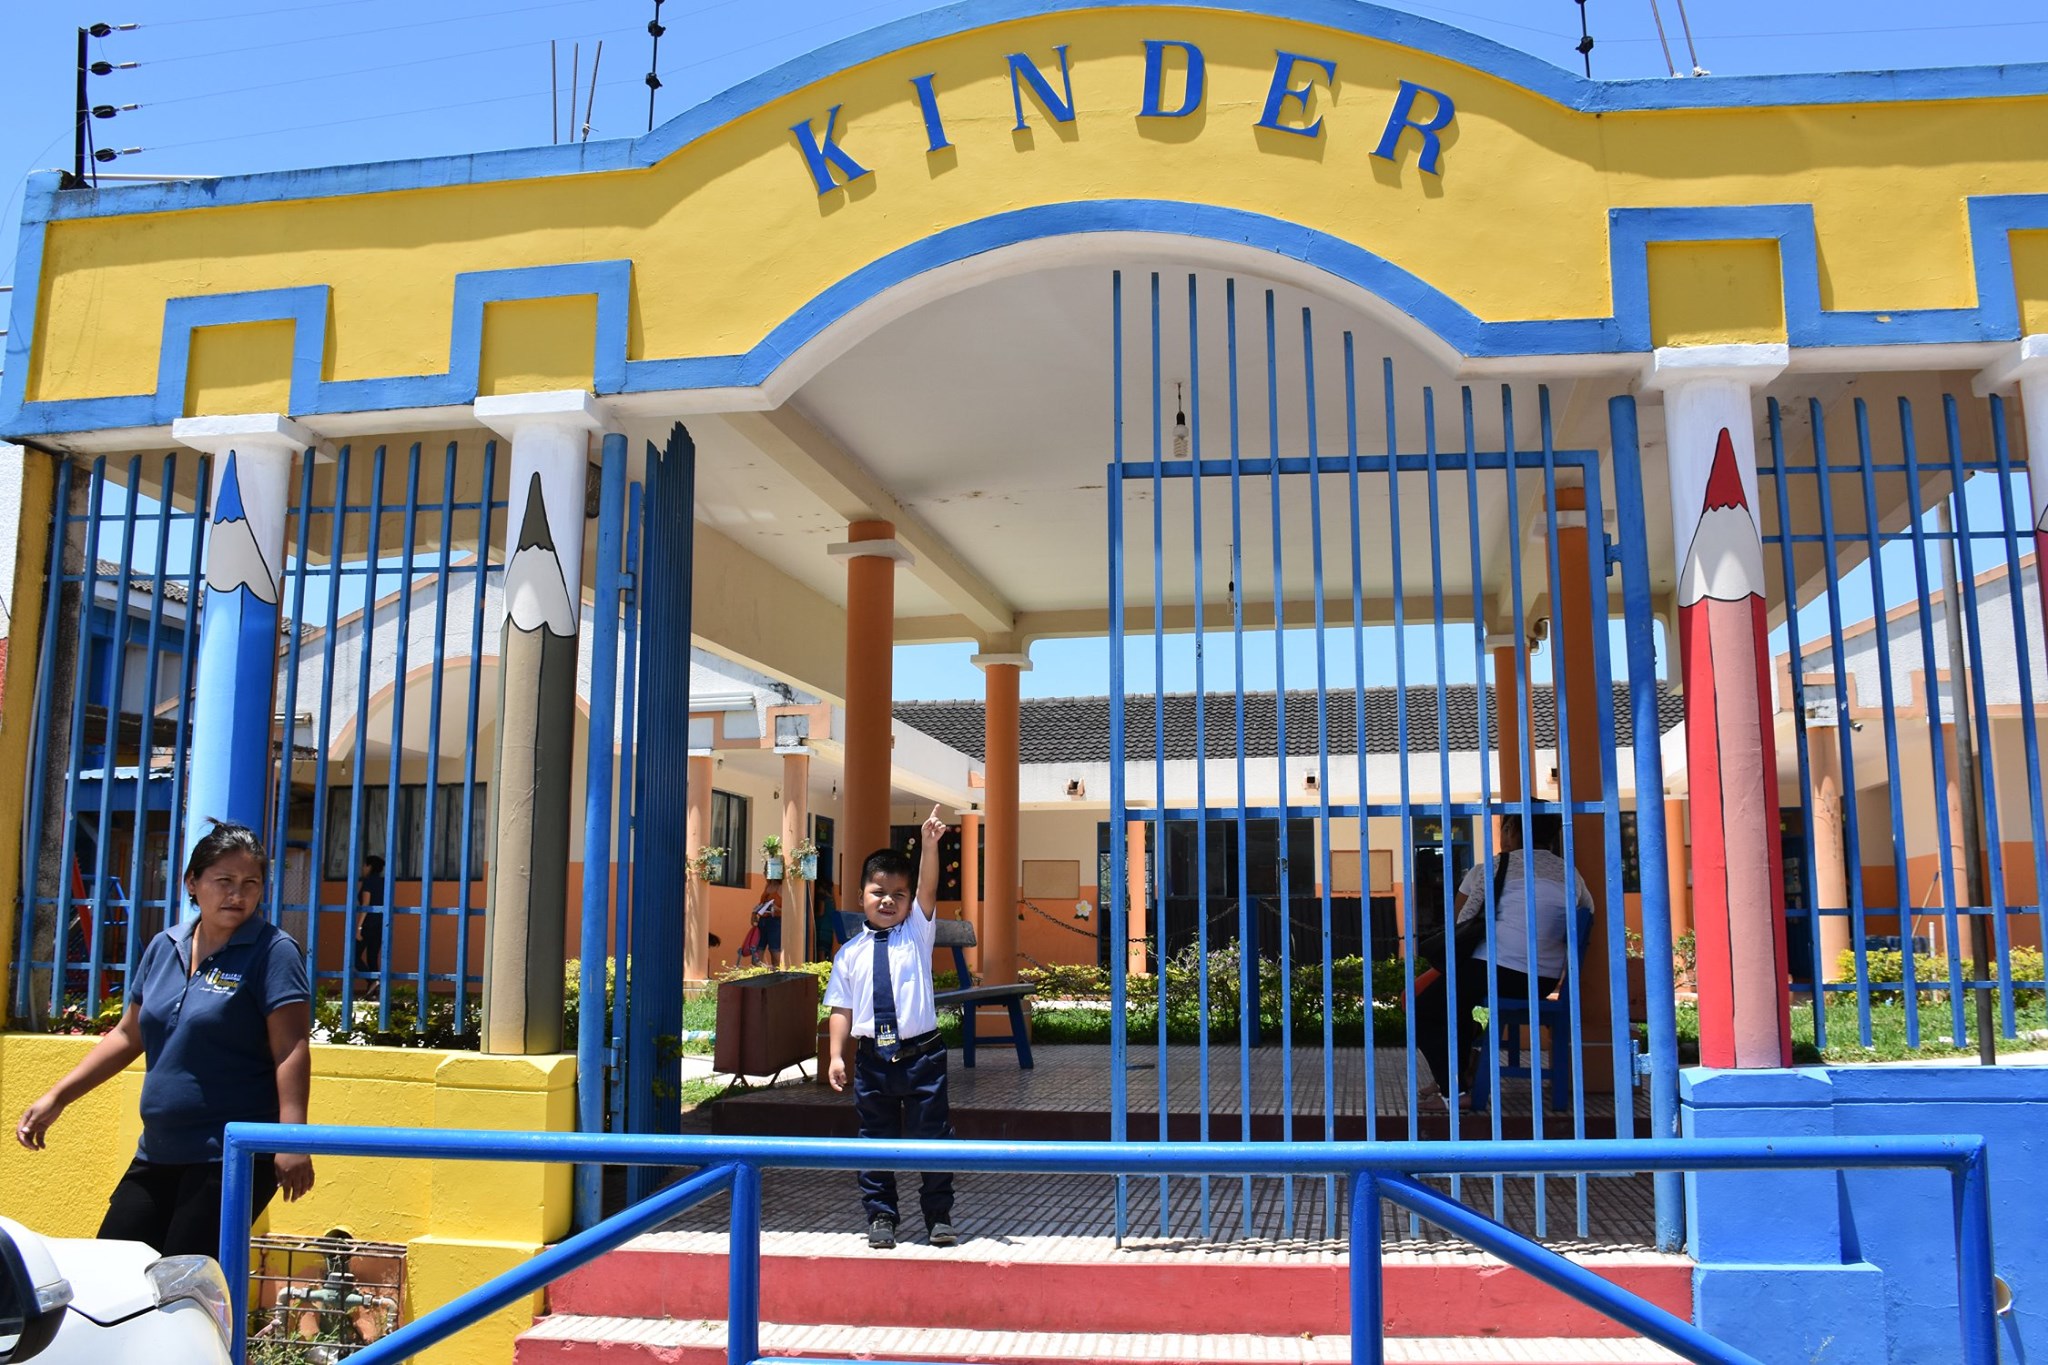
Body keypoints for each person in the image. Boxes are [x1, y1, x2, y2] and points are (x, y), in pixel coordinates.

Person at [16, 821, 315, 1259]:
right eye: (224, 882)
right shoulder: (165, 945)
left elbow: (290, 1048)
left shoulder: (273, 951)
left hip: (229, 1157)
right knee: (112, 1271)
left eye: (250, 884)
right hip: (158, 1149)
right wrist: (58, 1097)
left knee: (179, 1287)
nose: (237, 895)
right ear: (192, 883)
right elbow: (127, 1034)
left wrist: (292, 1141)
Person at [824, 805, 957, 1250]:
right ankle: (881, 1216)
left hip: (923, 1057)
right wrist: (837, 1054)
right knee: (874, 1139)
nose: (889, 901)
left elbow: (928, 886)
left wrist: (930, 844)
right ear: (861, 894)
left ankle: (939, 1215)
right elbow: (840, 1007)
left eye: (898, 895)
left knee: (933, 1136)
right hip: (873, 1061)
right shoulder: (849, 954)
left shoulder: (917, 933)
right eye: (878, 891)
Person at [1414, 812, 1592, 1110]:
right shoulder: (1571, 873)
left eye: (1504, 828)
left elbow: (1463, 920)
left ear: (1511, 829)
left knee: (1425, 1008)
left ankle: (1453, 1094)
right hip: (1544, 980)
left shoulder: (1497, 866)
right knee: (1451, 1001)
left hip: (1498, 970)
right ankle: (1465, 1070)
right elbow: (1586, 915)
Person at [352, 852, 386, 983]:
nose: (362, 868)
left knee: (354, 957)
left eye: (364, 866)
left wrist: (358, 928)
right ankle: (374, 991)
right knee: (372, 958)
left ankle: (372, 982)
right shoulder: (383, 882)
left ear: (370, 866)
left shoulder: (368, 882)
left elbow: (366, 905)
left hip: (368, 924)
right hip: (380, 923)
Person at [747, 880, 783, 968]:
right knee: (757, 950)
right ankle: (757, 975)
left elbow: (788, 910)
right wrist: (754, 913)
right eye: (765, 871)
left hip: (775, 921)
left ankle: (777, 975)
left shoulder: (782, 887)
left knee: (774, 950)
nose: (766, 874)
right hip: (762, 920)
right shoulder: (768, 885)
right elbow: (762, 903)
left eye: (767, 870)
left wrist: (777, 908)